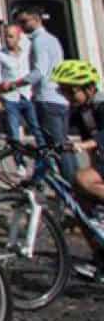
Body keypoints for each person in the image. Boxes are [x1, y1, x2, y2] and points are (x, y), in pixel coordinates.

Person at [49, 60, 104, 281]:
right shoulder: (81, 110)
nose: (66, 96)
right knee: (80, 207)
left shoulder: (101, 105)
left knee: (83, 178)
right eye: (62, 91)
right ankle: (100, 258)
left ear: (89, 88)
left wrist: (85, 146)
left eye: (70, 91)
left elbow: (98, 138)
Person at [14, 8, 73, 179]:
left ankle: (72, 189)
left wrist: (14, 84)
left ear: (37, 19)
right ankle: (43, 182)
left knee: (56, 147)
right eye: (20, 23)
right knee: (61, 144)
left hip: (47, 98)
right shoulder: (52, 39)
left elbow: (39, 72)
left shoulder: (40, 41)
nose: (22, 27)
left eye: (24, 22)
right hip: (59, 98)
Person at [0, 24, 41, 146]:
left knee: (36, 129)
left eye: (10, 36)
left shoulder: (27, 53)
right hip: (10, 98)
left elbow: (34, 72)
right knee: (14, 134)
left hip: (28, 95)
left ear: (18, 37)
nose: (7, 40)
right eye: (5, 37)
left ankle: (45, 157)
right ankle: (19, 162)